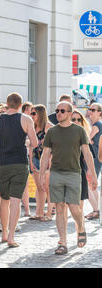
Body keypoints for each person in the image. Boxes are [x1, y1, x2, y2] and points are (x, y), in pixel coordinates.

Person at [39, 101, 97, 255]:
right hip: (56, 173)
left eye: (62, 111)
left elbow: (87, 153)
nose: (58, 113)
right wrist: (41, 174)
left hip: (73, 174)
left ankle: (81, 226)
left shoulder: (79, 131)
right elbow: (45, 155)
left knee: (74, 207)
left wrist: (93, 174)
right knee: (59, 208)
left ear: (70, 114)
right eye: (57, 110)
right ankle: (63, 243)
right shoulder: (52, 132)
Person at [0, 93, 38, 248]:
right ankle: (11, 236)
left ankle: (3, 233)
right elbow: (34, 142)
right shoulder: (26, 119)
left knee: (4, 199)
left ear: (7, 104)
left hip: (2, 163)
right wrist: (25, 142)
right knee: (16, 200)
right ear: (21, 105)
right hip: (20, 163)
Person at [28, 105, 54, 221]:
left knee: (47, 188)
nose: (31, 116)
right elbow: (30, 145)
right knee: (39, 187)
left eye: (34, 113)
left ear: (40, 114)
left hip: (46, 159)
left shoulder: (48, 127)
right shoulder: (32, 126)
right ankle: (39, 212)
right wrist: (30, 160)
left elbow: (53, 146)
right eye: (31, 113)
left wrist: (50, 161)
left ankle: (48, 213)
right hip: (34, 159)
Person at [71, 110, 92, 212]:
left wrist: (89, 170)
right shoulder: (61, 134)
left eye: (79, 119)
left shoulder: (84, 136)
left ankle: (80, 225)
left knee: (80, 201)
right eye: (73, 119)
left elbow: (88, 155)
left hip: (79, 171)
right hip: (64, 171)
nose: (76, 121)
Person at [85, 103, 102, 221]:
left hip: (94, 157)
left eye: (93, 110)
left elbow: (86, 139)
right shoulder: (96, 124)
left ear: (99, 112)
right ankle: (97, 210)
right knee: (92, 185)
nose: (90, 111)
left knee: (89, 184)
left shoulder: (97, 125)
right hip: (97, 157)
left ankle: (97, 210)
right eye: (89, 109)